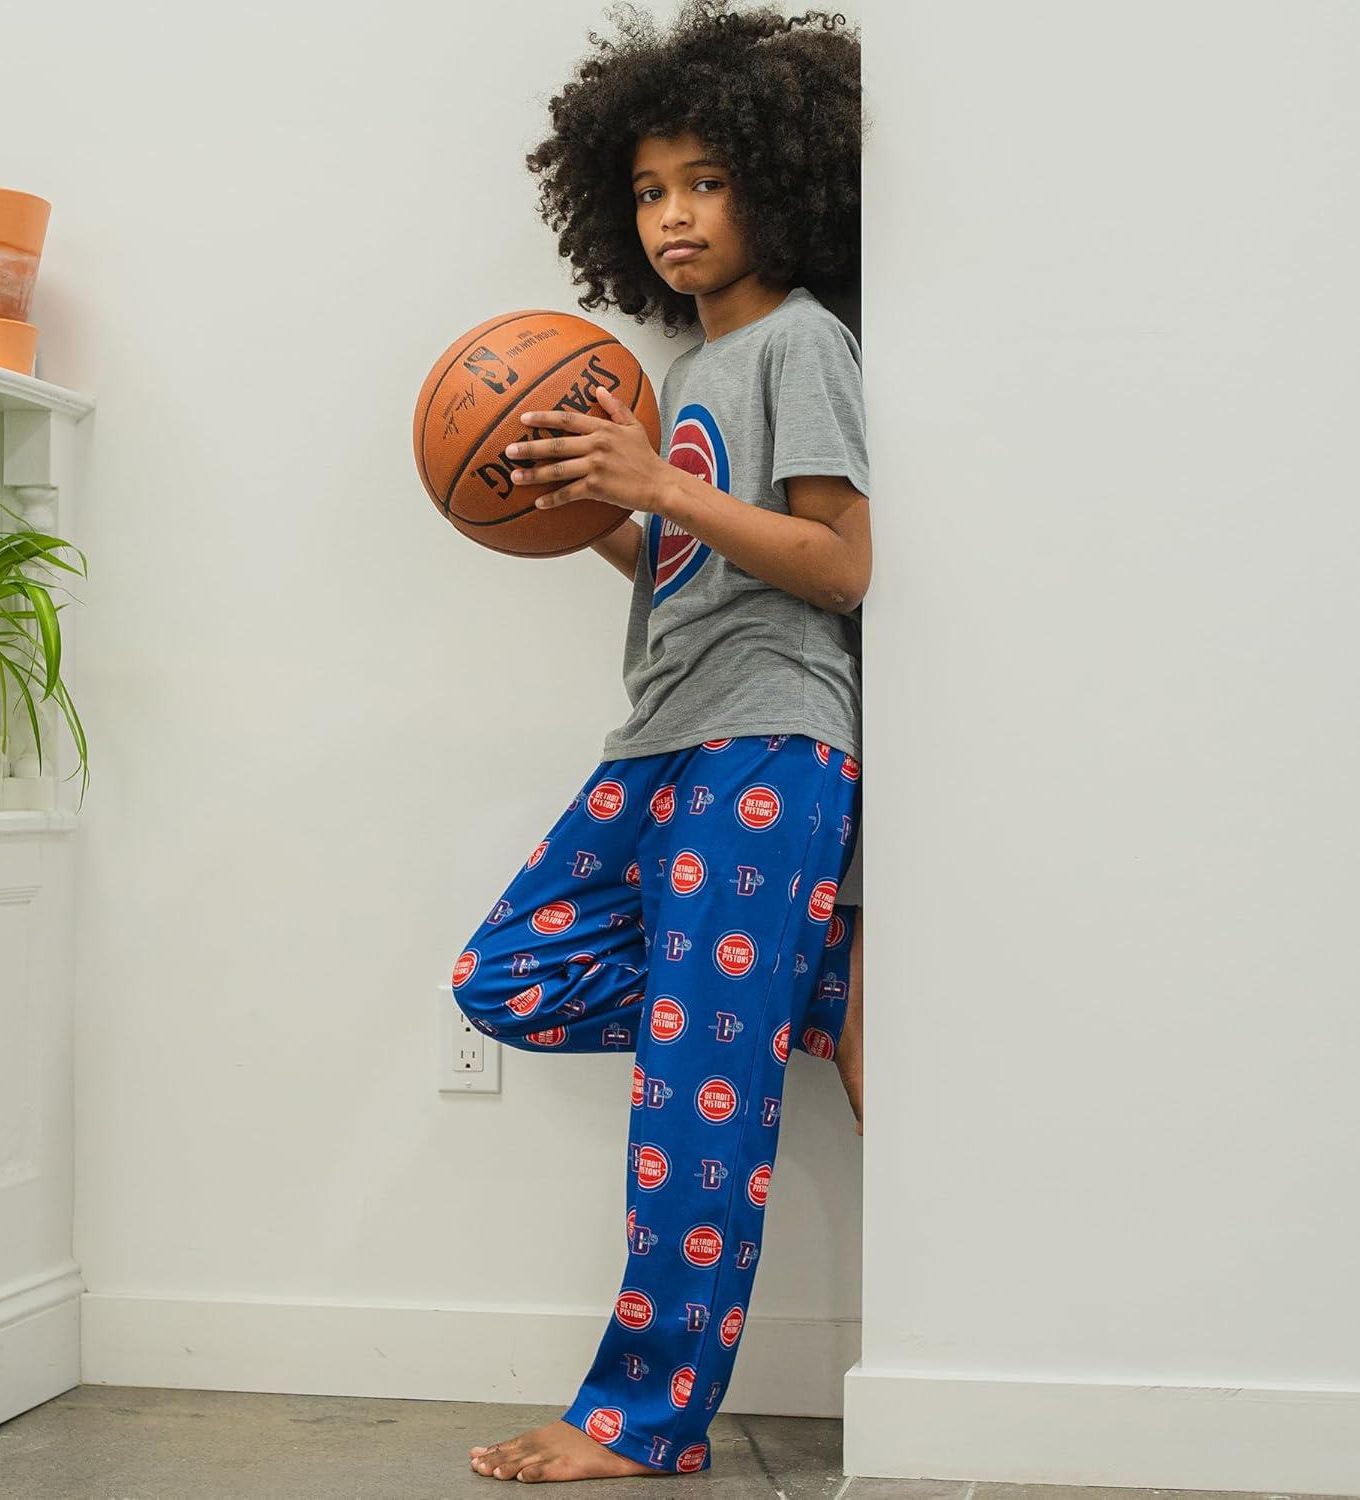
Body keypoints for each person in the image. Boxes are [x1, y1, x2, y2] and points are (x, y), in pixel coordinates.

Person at [451, 0, 869, 1482]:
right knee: (506, 972)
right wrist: (588, 514)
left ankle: (640, 1421)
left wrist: (664, 489)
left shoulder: (803, 344)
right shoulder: (681, 375)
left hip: (769, 741)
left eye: (706, 181)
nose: (674, 216)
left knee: (691, 1098)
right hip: (663, 739)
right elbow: (691, 561)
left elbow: (838, 566)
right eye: (646, 191)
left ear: (783, 180)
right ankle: (803, 980)